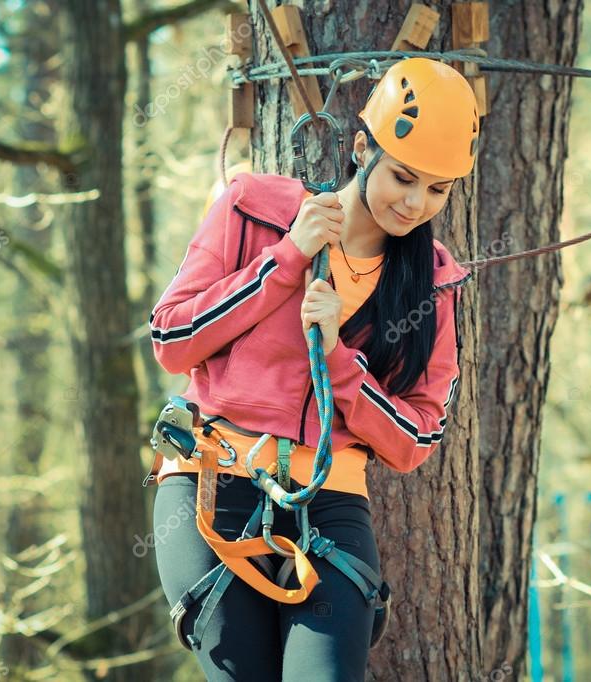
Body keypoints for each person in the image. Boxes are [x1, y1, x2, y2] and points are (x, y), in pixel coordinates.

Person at [148, 57, 480, 681]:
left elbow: (417, 438)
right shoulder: (253, 208)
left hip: (329, 507)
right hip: (213, 484)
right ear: (362, 147)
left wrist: (336, 360)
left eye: (437, 190)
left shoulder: (433, 279)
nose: (415, 203)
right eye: (404, 178)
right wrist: (285, 260)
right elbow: (171, 339)